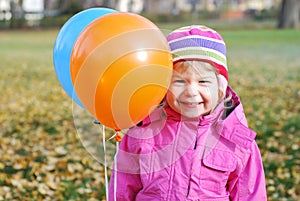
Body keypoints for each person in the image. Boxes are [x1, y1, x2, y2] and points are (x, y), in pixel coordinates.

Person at [108, 25, 267, 201]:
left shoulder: (237, 142)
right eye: (179, 81)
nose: (191, 91)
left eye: (203, 81)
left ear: (220, 88)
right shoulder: (142, 132)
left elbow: (251, 194)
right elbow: (122, 191)